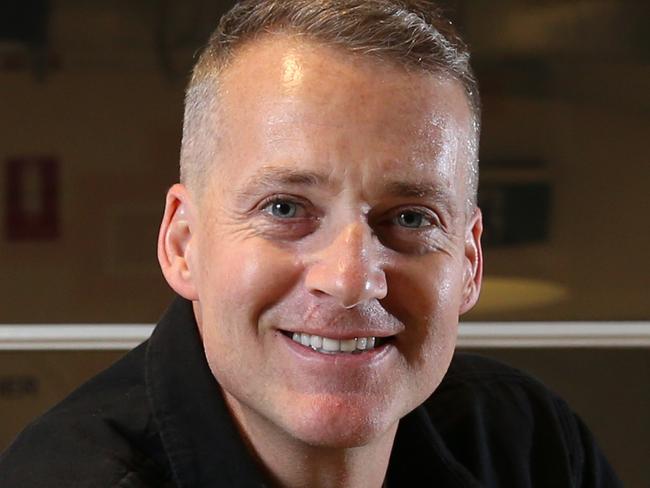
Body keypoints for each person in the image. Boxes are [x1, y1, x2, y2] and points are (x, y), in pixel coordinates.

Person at [0, 1, 622, 486]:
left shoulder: (528, 445)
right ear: (183, 244)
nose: (351, 279)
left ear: (468, 262)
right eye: (285, 208)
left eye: (409, 218)